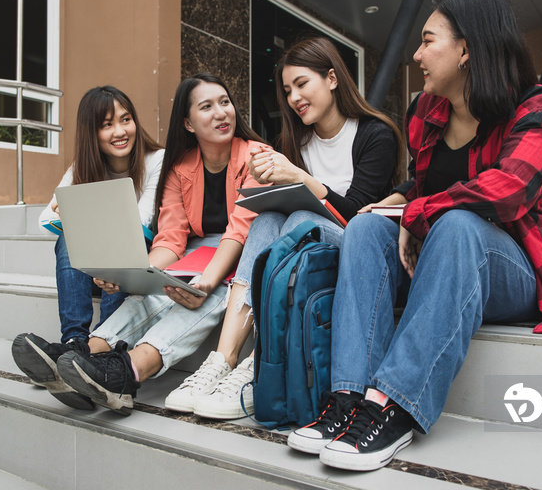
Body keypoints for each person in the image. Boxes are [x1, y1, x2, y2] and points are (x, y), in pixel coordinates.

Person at [286, 0, 542, 471]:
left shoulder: (537, 106)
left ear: (466, 49)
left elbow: (508, 190)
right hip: (435, 258)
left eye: (428, 40)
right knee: (365, 230)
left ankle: (394, 406)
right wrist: (393, 205)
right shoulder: (426, 112)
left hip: (509, 268)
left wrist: (420, 211)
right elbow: (422, 184)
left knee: (459, 225)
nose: (416, 53)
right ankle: (346, 399)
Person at [163, 37, 403, 420]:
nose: (294, 98)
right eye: (288, 90)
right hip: (302, 254)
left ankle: (263, 364)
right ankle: (223, 359)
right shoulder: (297, 140)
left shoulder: (375, 133)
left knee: (301, 220)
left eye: (302, 84)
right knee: (270, 219)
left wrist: (298, 177)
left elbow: (359, 215)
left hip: (356, 251)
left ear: (332, 79)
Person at [13, 73, 265, 414]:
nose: (222, 112)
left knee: (209, 293)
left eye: (225, 102)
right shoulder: (180, 167)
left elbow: (239, 231)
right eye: (207, 106)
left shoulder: (257, 156)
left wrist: (204, 280)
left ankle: (128, 372)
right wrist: (138, 274)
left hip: (246, 253)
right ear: (188, 123)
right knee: (153, 293)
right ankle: (84, 354)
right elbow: (172, 239)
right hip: (198, 251)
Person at [12, 86, 164, 408]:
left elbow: (143, 218)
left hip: (138, 256)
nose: (120, 131)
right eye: (107, 124)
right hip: (93, 266)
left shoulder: (155, 160)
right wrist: (68, 213)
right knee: (68, 233)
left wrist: (85, 214)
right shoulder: (82, 167)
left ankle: (103, 352)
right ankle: (74, 343)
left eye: (126, 119)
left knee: (110, 233)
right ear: (91, 133)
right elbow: (44, 219)